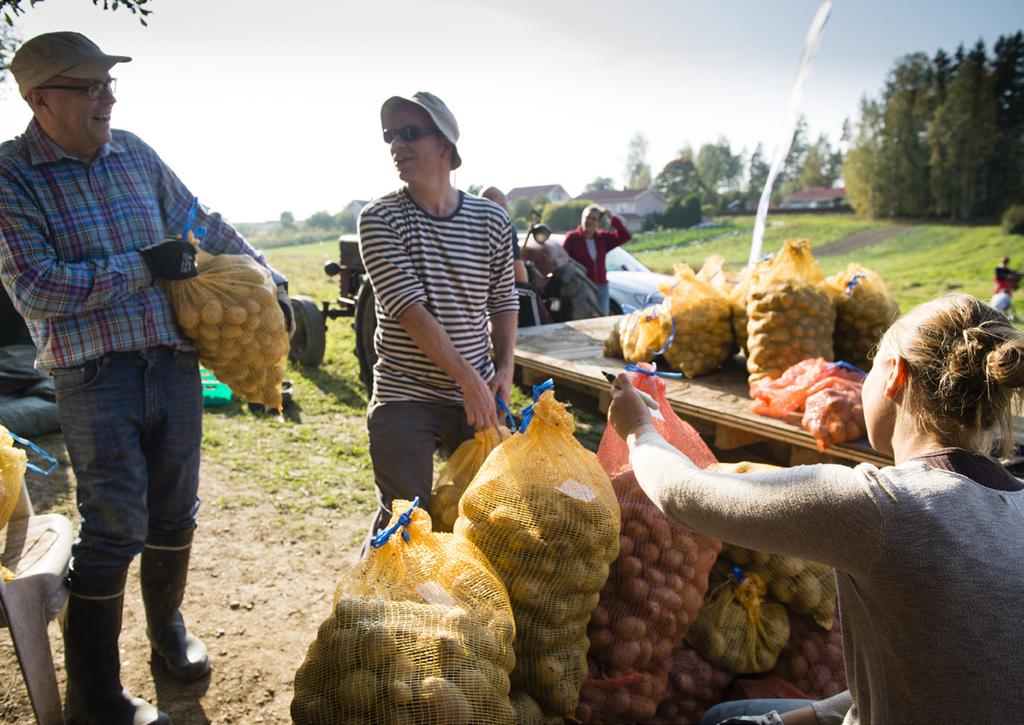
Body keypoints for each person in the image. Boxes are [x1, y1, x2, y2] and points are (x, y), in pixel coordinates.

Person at [0, 32, 292, 725]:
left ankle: (168, 631)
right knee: (114, 527)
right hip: (92, 376)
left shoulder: (133, 151)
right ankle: (96, 693)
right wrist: (144, 266)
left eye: (109, 84)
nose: (109, 97)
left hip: (171, 363)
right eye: (90, 86)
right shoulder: (10, 177)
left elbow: (199, 220)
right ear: (40, 100)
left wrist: (269, 276)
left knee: (173, 512)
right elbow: (38, 288)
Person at [607, 292, 1024, 725]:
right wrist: (797, 718)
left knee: (717, 719)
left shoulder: (883, 507)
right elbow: (931, 679)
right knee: (736, 715)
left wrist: (638, 429)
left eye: (871, 365)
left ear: (895, 377)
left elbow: (685, 496)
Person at [358, 92, 518, 551]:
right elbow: (409, 310)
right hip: (405, 393)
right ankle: (381, 613)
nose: (396, 145)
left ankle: (464, 613)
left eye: (409, 133)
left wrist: (503, 370)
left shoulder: (490, 220)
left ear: (445, 145)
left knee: (489, 516)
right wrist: (468, 378)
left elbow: (504, 300)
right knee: (408, 520)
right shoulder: (381, 218)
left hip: (478, 390)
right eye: (391, 136)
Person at [562, 203, 632, 315]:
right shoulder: (572, 238)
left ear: (598, 223)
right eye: (587, 217)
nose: (589, 221)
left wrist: (612, 218)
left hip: (602, 287)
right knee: (585, 319)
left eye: (593, 219)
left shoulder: (602, 238)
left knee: (602, 318)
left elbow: (625, 236)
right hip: (581, 287)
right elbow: (563, 261)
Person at [480, 186, 529, 284]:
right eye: (503, 205)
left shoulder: (468, 223)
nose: (506, 210)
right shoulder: (503, 225)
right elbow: (520, 277)